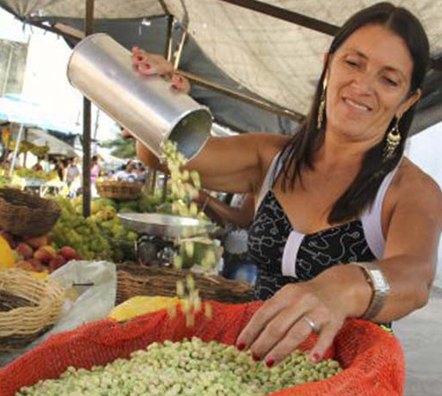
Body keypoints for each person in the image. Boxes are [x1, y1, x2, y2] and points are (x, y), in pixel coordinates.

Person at [133, 3, 442, 367]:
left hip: (349, 378)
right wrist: (157, 96)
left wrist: (348, 285)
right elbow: (163, 155)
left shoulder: (409, 189)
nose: (362, 86)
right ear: (328, 64)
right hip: (251, 366)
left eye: (389, 80)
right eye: (353, 63)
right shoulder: (270, 157)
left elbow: (414, 277)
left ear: (408, 101)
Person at [196, 191, 257, 283]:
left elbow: (243, 218)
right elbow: (227, 223)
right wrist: (205, 207)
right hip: (230, 257)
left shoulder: (254, 189)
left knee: (242, 294)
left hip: (247, 260)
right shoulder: (237, 190)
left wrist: (207, 199)